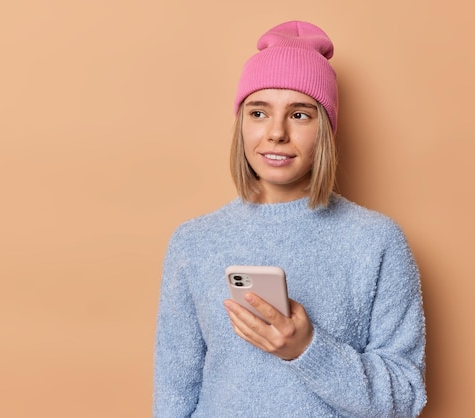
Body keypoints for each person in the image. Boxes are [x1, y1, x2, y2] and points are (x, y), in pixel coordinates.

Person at [153, 20, 427, 417]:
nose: (276, 132)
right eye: (259, 112)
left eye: (300, 115)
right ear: (242, 124)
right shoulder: (194, 241)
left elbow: (406, 395)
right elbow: (174, 395)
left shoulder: (376, 241)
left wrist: (307, 348)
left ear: (326, 130)